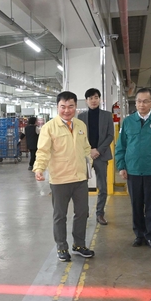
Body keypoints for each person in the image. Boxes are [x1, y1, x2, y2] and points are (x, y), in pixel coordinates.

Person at [33, 91, 94, 262]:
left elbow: (86, 148)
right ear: (57, 107)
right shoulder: (49, 128)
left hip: (80, 178)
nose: (67, 110)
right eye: (63, 107)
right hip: (60, 179)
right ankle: (62, 247)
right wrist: (39, 168)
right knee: (60, 215)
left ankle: (79, 245)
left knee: (82, 212)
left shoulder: (81, 125)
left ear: (75, 106)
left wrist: (88, 162)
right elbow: (43, 151)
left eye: (70, 106)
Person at [115, 88, 151, 250]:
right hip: (133, 170)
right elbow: (121, 146)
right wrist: (121, 166)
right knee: (136, 205)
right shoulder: (128, 122)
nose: (142, 104)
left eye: (145, 101)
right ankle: (139, 235)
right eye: (139, 101)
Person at [78, 88, 115, 226]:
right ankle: (84, 212)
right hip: (85, 156)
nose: (93, 100)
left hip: (101, 155)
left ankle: (100, 213)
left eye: (95, 97)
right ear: (86, 101)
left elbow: (110, 135)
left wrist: (98, 150)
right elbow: (79, 137)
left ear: (100, 99)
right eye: (90, 98)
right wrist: (89, 151)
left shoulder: (107, 115)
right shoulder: (81, 117)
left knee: (102, 186)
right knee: (81, 186)